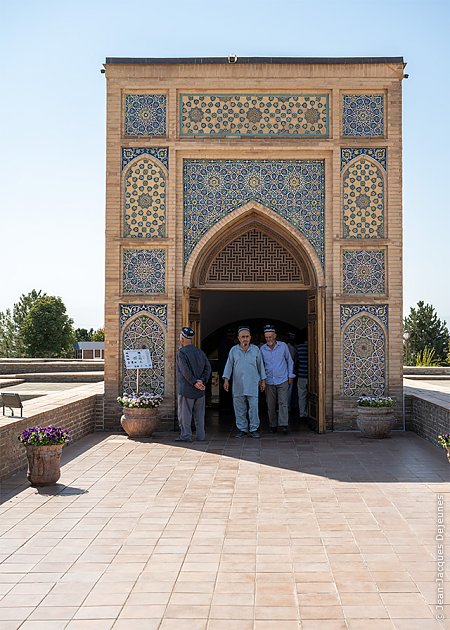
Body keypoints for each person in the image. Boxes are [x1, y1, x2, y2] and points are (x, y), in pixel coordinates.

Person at [222, 326, 266, 438]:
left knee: (254, 408)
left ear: (250, 337)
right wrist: (226, 379)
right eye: (243, 337)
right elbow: (229, 365)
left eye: (247, 337)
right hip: (238, 385)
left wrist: (263, 380)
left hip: (252, 384)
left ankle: (254, 428)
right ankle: (242, 429)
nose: (245, 339)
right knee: (239, 408)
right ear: (238, 338)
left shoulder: (256, 350)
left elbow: (261, 366)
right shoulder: (234, 350)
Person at [176, 326, 211, 442]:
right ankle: (201, 436)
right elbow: (208, 368)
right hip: (200, 390)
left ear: (181, 339)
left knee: (185, 415)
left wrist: (194, 382)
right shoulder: (200, 352)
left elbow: (185, 371)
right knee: (200, 416)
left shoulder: (181, 353)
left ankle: (186, 436)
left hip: (187, 389)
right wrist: (202, 380)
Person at [260, 325, 295, 434]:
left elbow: (290, 361)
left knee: (283, 403)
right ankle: (273, 425)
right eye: (266, 338)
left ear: (275, 336)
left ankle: (283, 424)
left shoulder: (283, 346)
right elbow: (260, 365)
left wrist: (290, 375)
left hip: (282, 379)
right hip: (269, 381)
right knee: (270, 404)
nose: (269, 339)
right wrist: (262, 380)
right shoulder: (262, 349)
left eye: (270, 337)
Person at [296, 329, 308, 419]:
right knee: (312, 396)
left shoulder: (298, 348)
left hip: (301, 375)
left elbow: (296, 361)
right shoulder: (314, 347)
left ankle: (302, 413)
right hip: (312, 377)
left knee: (301, 396)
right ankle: (310, 413)